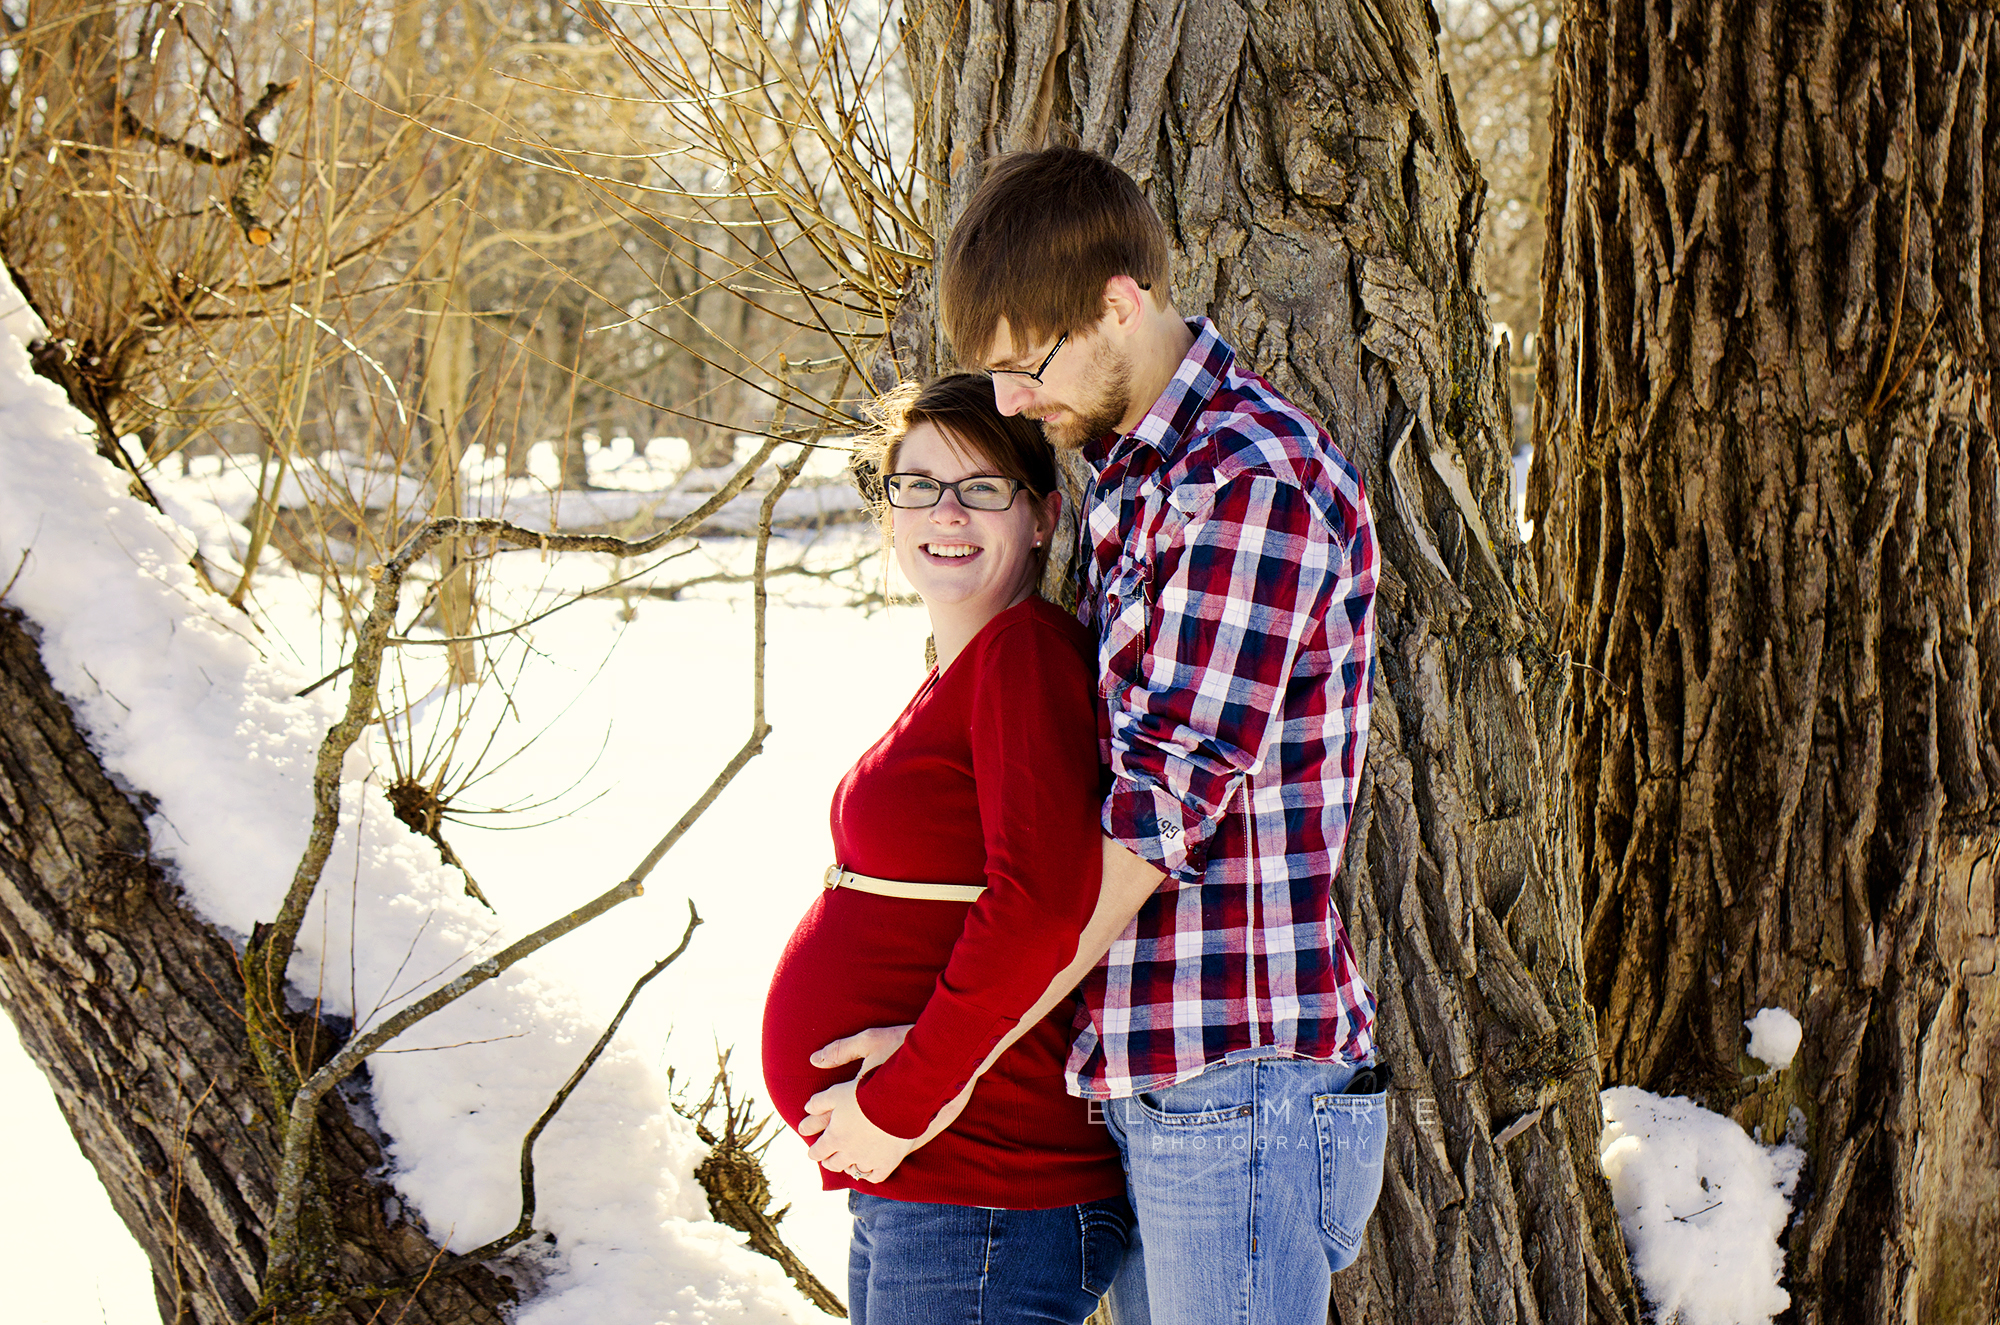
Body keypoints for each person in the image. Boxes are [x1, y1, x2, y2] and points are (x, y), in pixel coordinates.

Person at [808, 146, 1391, 1325]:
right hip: (1141, 1068)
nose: (1013, 403)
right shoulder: (1133, 472)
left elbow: (1145, 828)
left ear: (1118, 304)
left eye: (1025, 365)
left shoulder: (1247, 483)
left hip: (1233, 1071)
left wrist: (933, 1072)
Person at [760, 374, 1134, 1325]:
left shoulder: (1022, 654)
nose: (946, 512)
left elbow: (1043, 906)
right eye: (918, 484)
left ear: (1045, 516)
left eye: (982, 486)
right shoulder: (964, 669)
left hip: (985, 1184)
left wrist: (898, 1101)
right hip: (935, 1176)